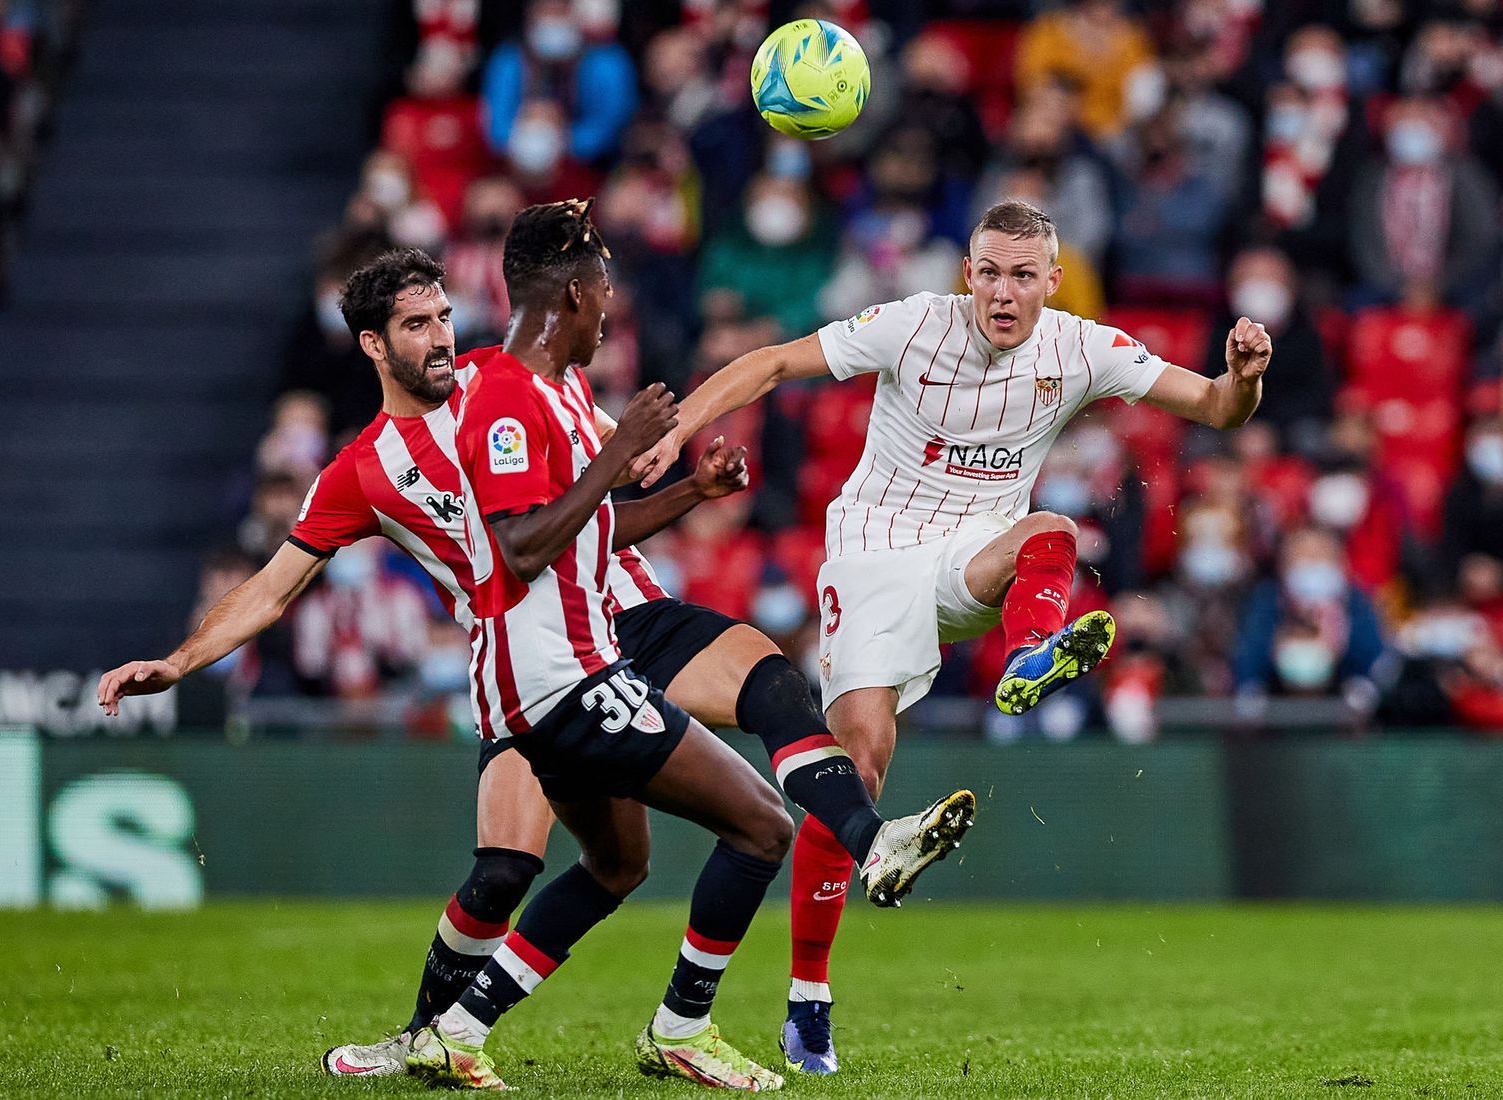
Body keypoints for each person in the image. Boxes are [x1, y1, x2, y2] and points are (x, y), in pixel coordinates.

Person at [97, 234, 968, 1086]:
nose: (440, 337)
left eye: (444, 317)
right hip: (534, 658)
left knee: (744, 717)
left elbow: (592, 513)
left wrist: (686, 487)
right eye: (414, 326)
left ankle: (513, 1027)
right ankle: (447, 1035)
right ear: (371, 345)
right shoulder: (365, 471)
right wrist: (180, 661)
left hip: (615, 621)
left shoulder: (504, 381)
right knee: (521, 863)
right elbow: (275, 588)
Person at [633, 199, 1272, 1074]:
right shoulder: (910, 326)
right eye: (990, 272)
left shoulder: (1082, 347)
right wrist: (678, 428)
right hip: (873, 553)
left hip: (975, 555)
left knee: (1054, 529)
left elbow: (1212, 407)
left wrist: (1244, 377)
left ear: (1053, 280)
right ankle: (807, 1002)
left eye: (1023, 275)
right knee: (856, 767)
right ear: (966, 272)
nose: (1003, 293)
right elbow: (776, 361)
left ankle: (1028, 653)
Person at [403, 203, 970, 1090]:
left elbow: (594, 526)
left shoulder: (554, 391)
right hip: (559, 669)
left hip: (592, 644)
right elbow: (520, 545)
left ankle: (456, 1030)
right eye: (604, 297)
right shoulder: (508, 396)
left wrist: (693, 492)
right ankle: (686, 1018)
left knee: (621, 860)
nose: (609, 314)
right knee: (754, 824)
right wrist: (620, 447)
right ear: (576, 291)